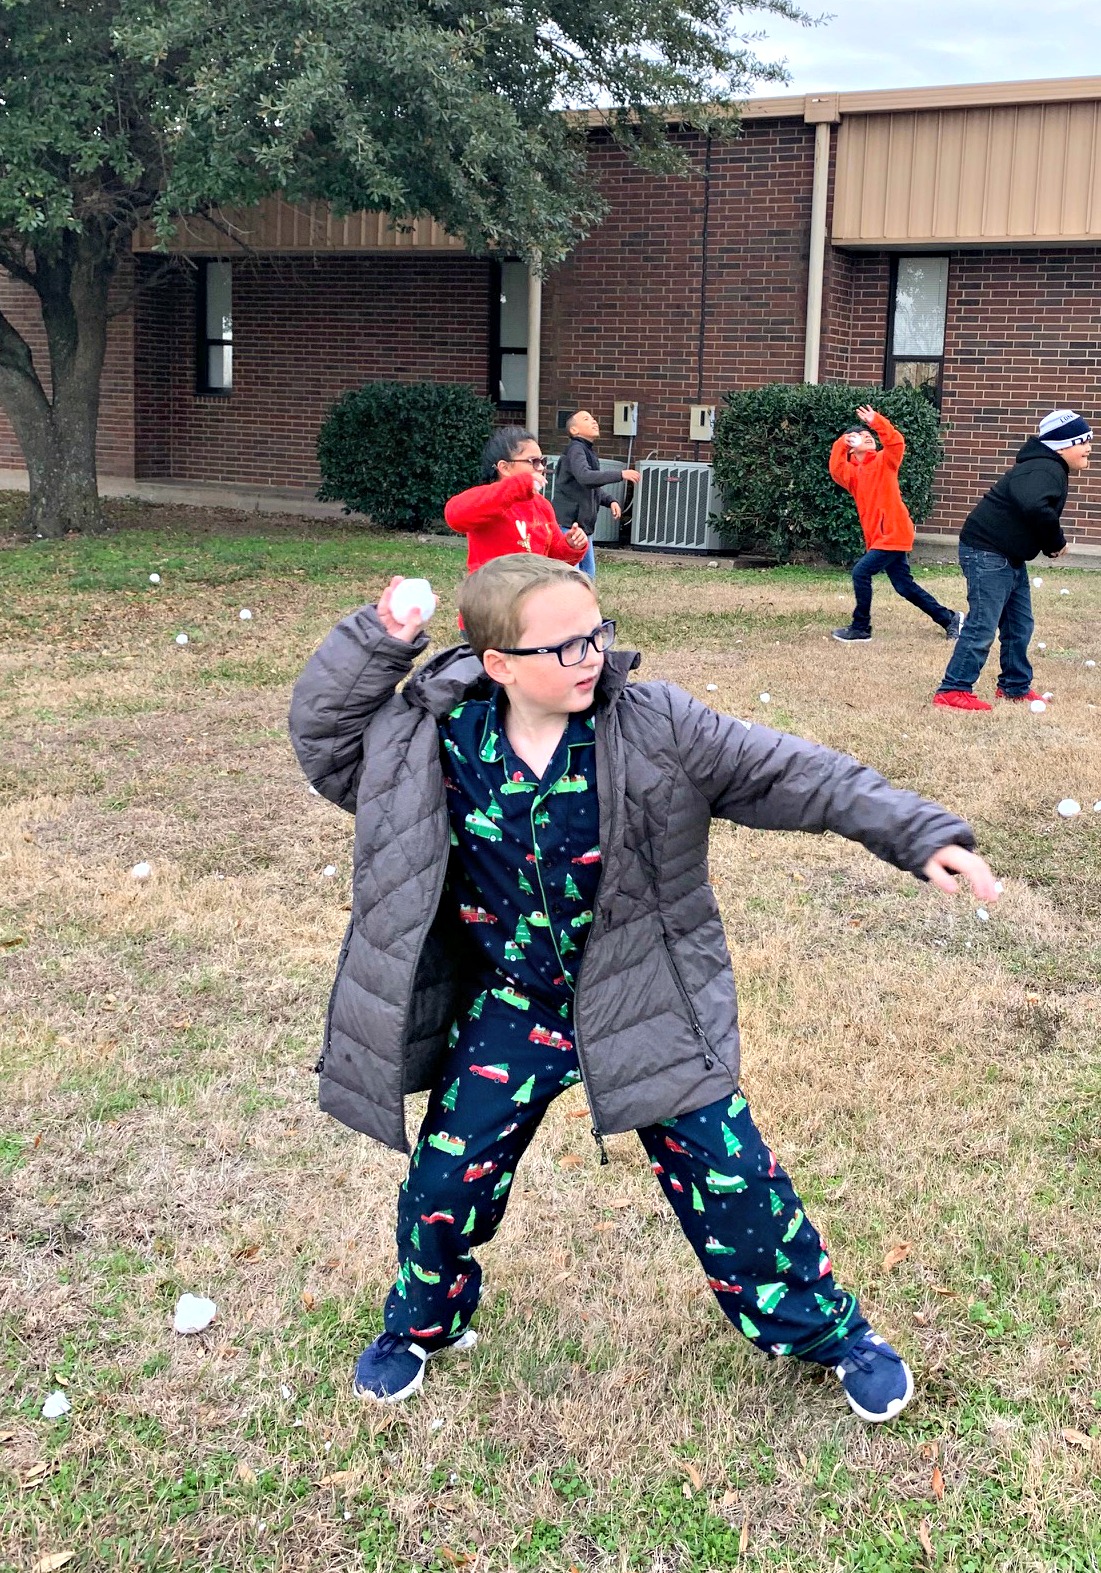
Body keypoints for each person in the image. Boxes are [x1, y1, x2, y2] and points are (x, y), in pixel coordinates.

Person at [289, 555, 998, 1423]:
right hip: (513, 1004)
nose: (590, 657)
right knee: (443, 1182)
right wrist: (379, 638)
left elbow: (796, 773)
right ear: (496, 662)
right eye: (562, 647)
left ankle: (829, 1334)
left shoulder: (654, 723)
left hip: (641, 996)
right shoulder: (434, 737)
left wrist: (916, 833)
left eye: (596, 633)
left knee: (735, 1178)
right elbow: (326, 745)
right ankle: (423, 1324)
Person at [933, 408, 1091, 712]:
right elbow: (1035, 507)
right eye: (1083, 440)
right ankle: (953, 690)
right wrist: (1056, 544)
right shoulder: (1045, 468)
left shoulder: (1047, 467)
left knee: (1020, 625)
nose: (1089, 448)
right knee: (983, 623)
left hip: (1008, 554)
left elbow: (1032, 509)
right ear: (1063, 444)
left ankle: (1014, 686)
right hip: (987, 551)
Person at [829, 405, 962, 644]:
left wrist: (876, 421)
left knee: (861, 572)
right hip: (880, 537)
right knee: (904, 586)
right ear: (851, 448)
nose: (868, 437)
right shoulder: (851, 475)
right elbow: (836, 468)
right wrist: (842, 442)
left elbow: (896, 443)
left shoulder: (884, 461)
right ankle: (950, 618)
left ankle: (861, 627)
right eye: (862, 437)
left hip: (894, 533)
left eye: (870, 436)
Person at [445, 426, 589, 575]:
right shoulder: (488, 498)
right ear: (505, 467)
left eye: (542, 461)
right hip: (492, 589)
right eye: (533, 461)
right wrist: (519, 485)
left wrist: (571, 546)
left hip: (532, 588)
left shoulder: (542, 505)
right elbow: (454, 515)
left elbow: (552, 560)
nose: (540, 468)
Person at [551, 410, 641, 579]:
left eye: (593, 418)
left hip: (583, 528)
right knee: (572, 576)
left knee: (588, 575)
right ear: (574, 430)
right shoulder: (576, 450)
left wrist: (610, 501)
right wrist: (620, 475)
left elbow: (590, 487)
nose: (594, 421)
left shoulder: (586, 451)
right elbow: (586, 477)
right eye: (586, 419)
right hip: (569, 527)